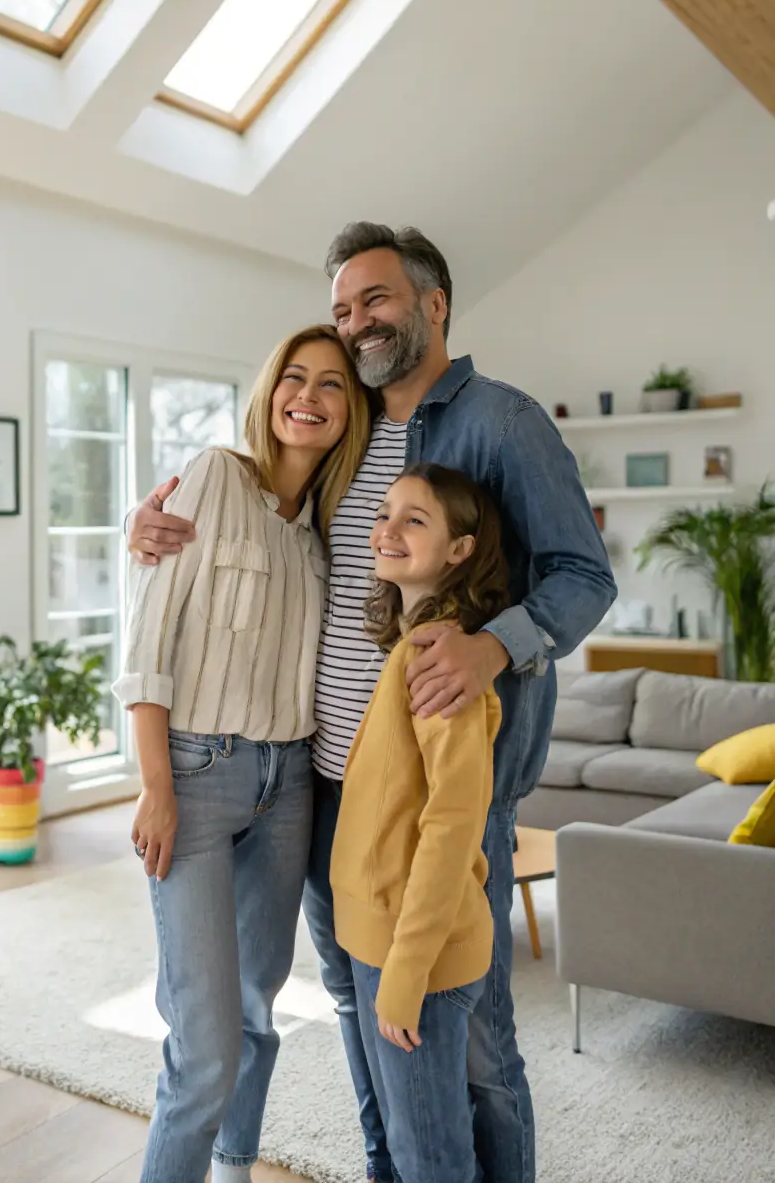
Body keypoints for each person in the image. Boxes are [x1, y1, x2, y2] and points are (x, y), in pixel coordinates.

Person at [127, 223, 617, 1183]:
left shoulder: (501, 422)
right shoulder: (345, 434)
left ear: (433, 304)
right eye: (344, 306)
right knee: (359, 1008)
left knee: (467, 1033)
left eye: (376, 300)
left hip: (448, 788)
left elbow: (582, 576)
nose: (356, 323)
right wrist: (142, 522)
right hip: (322, 785)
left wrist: (490, 645)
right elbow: (257, 533)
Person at [112, 324, 371, 1183]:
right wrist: (155, 783)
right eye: (294, 377)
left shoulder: (325, 526)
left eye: (332, 384)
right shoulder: (217, 474)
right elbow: (147, 639)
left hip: (290, 783)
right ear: (268, 391)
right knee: (206, 1045)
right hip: (194, 770)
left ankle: (234, 1168)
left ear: (350, 410)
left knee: (259, 1012)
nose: (310, 395)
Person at [331, 462, 508, 1183]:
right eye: (384, 512)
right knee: (402, 1146)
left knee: (429, 1159)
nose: (388, 529)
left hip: (418, 957)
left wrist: (404, 972)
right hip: (380, 938)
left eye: (415, 518)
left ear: (460, 549)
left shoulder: (440, 656)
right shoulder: (411, 643)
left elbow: (453, 823)